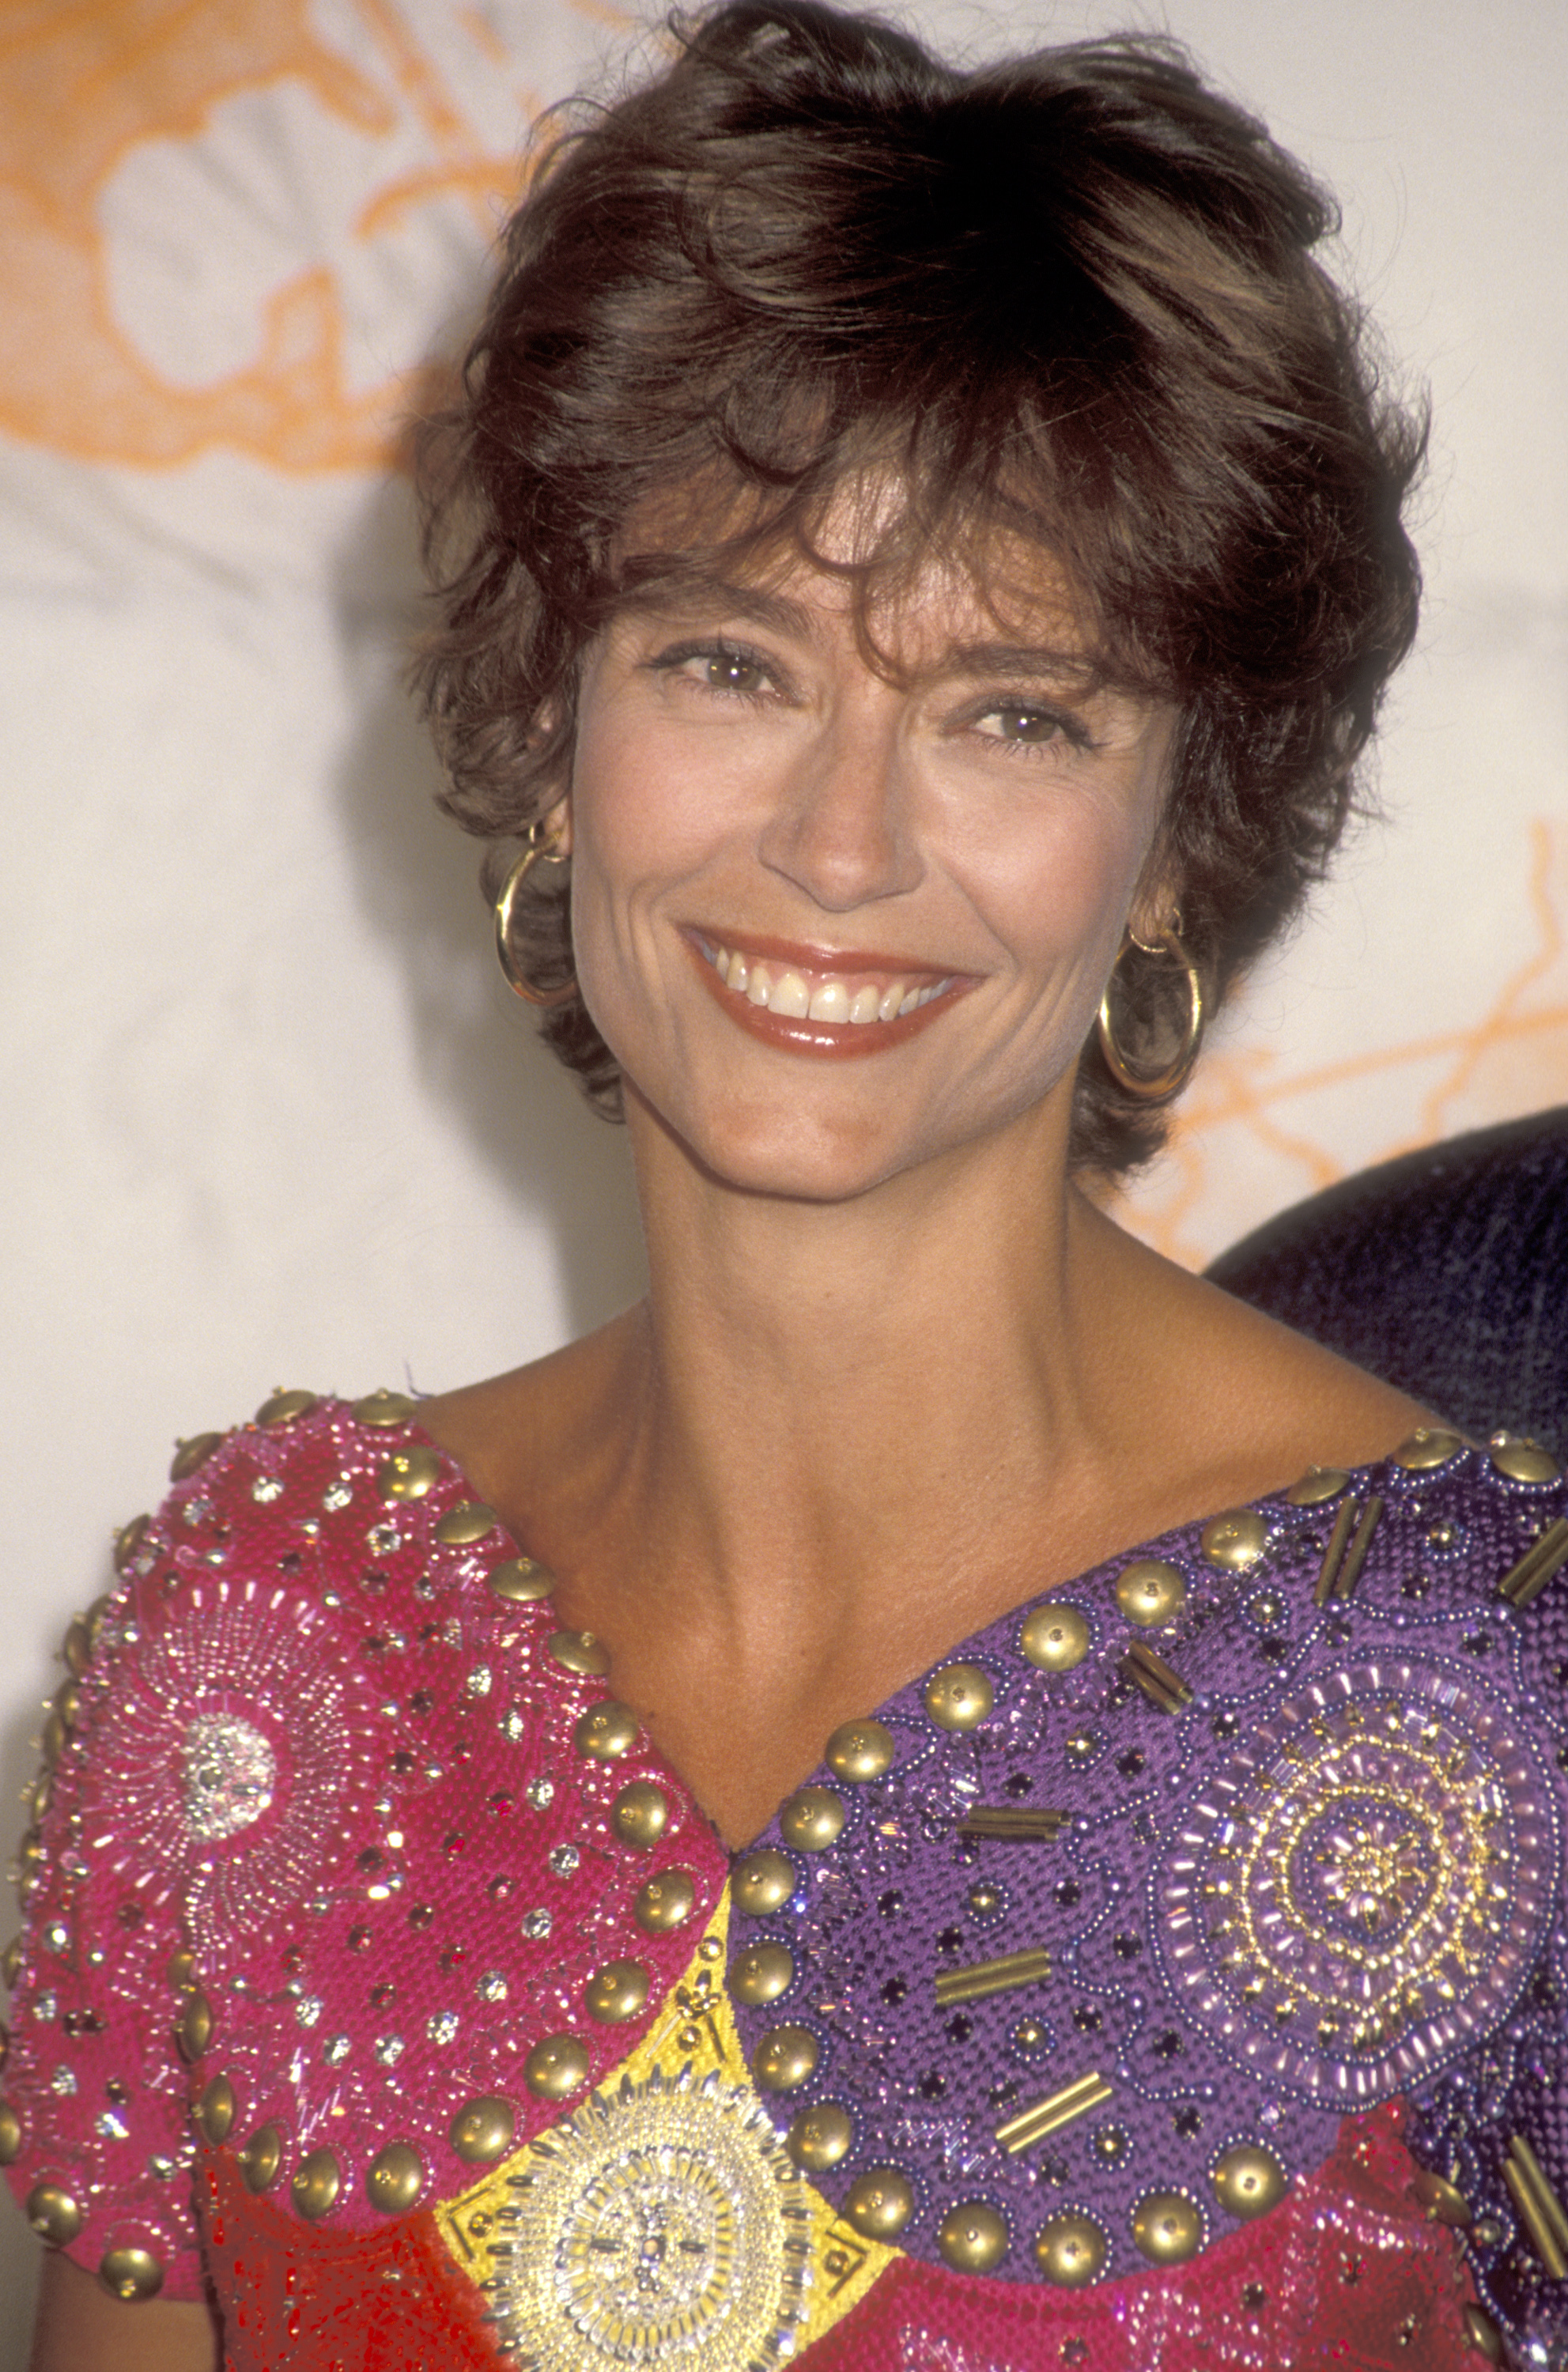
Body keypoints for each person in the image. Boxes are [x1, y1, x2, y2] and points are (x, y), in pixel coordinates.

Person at [7, 4, 1566, 2366]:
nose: (839, 847)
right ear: (556, 729)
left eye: (1013, 709)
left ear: (1182, 843)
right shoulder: (250, 1649)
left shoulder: (1504, 1692)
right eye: (732, 663)